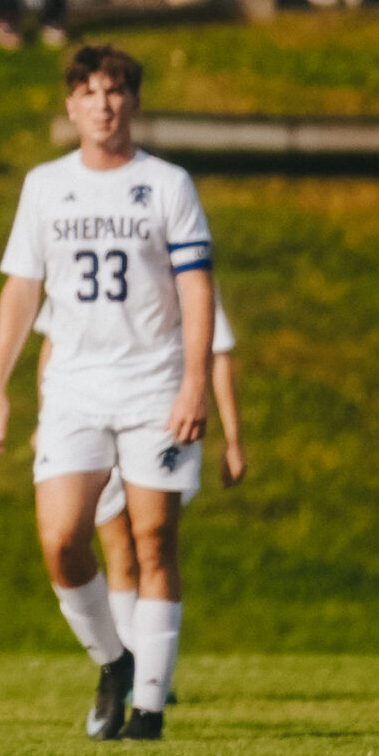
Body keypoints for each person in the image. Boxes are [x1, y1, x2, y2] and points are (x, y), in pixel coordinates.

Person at [0, 44, 217, 743]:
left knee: (151, 537)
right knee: (60, 539)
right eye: (88, 91)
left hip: (153, 384)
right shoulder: (46, 185)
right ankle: (114, 660)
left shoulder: (167, 183)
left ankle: (148, 709)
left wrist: (195, 380)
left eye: (114, 90)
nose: (102, 103)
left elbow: (197, 288)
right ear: (70, 105)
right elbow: (22, 287)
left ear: (133, 102)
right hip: (75, 388)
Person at [36, 290, 246, 703]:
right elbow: (53, 343)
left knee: (150, 544)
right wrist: (50, 418)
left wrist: (233, 438)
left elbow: (216, 353)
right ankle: (134, 669)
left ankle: (146, 678)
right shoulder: (88, 259)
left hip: (158, 418)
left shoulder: (186, 276)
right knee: (120, 547)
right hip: (91, 419)